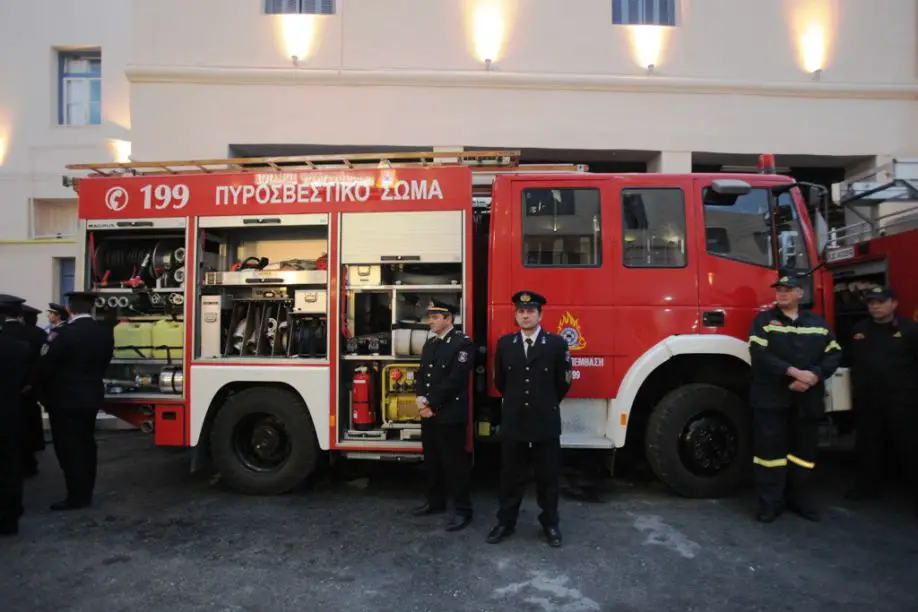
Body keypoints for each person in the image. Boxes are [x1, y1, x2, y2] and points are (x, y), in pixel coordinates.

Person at [748, 275, 843, 523]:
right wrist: (792, 372)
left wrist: (814, 376)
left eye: (788, 289)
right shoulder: (764, 321)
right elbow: (759, 353)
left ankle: (800, 500)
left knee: (803, 454)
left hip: (806, 399)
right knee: (769, 455)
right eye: (779, 289)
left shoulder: (818, 324)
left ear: (800, 293)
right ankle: (770, 504)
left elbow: (834, 353)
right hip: (771, 398)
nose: (782, 293)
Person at [487, 290, 572, 547]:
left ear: (540, 315)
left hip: (545, 420)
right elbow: (500, 381)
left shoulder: (556, 344)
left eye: (531, 311)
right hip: (514, 421)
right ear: (516, 315)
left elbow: (563, 382)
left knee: (548, 478)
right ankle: (505, 523)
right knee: (510, 477)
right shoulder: (505, 344)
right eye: (521, 312)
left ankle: (550, 524)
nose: (526, 316)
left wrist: (543, 403)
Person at [36, 291, 114, 511]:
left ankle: (76, 496)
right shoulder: (104, 332)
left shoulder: (62, 334)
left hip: (64, 398)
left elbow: (46, 366)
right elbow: (105, 361)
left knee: (68, 448)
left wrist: (43, 395)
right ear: (91, 308)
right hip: (92, 395)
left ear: (69, 309)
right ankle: (86, 491)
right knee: (87, 444)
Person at [845, 287, 918, 511]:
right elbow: (849, 359)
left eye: (880, 302)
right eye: (871, 303)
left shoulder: (910, 330)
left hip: (902, 400)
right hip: (869, 400)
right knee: (868, 445)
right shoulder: (859, 330)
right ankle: (867, 487)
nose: (875, 306)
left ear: (894, 304)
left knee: (909, 447)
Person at [412, 299, 475, 532]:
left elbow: (455, 381)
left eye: (435, 317)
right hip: (429, 413)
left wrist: (430, 403)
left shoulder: (462, 344)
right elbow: (421, 374)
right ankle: (435, 502)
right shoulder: (430, 344)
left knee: (454, 464)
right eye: (430, 317)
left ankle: (463, 510)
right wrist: (420, 398)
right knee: (432, 461)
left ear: (449, 319)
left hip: (449, 413)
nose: (430, 321)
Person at [0, 300, 46, 478]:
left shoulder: (6, 334)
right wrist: (31, 383)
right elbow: (42, 361)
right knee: (27, 424)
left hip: (7, 391)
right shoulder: (37, 333)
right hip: (28, 389)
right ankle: (28, 463)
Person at [0, 295, 32, 536]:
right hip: (10, 414)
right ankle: (10, 518)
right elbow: (28, 381)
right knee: (10, 467)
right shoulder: (20, 348)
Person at [17, 304, 49, 477]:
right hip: (34, 383)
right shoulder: (41, 334)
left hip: (17, 384)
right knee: (32, 416)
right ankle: (35, 447)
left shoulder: (17, 333)